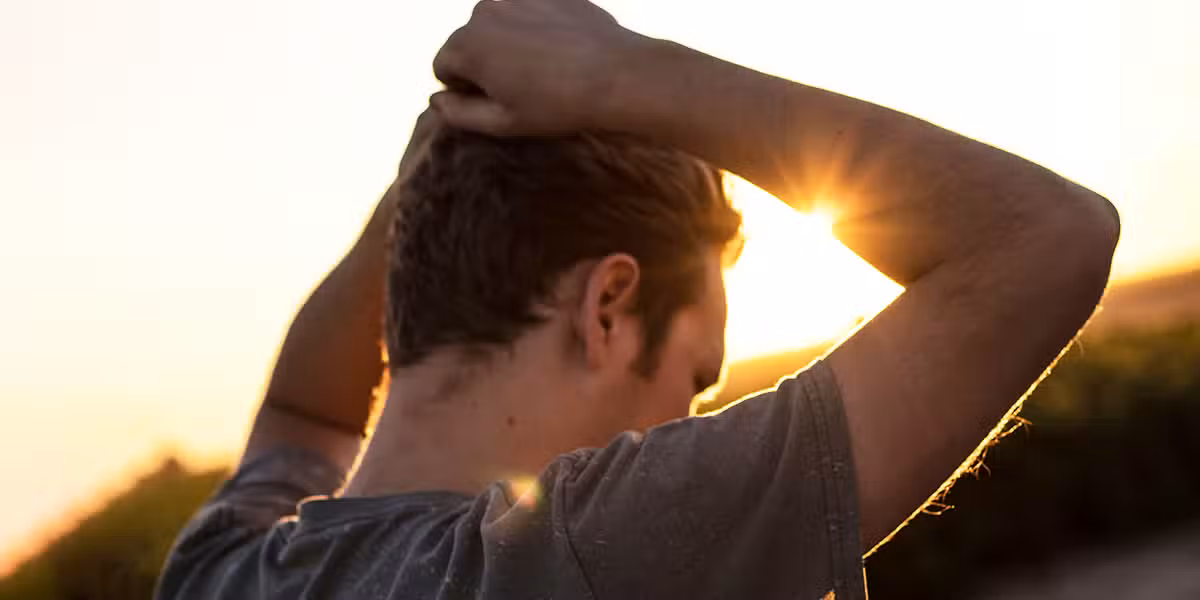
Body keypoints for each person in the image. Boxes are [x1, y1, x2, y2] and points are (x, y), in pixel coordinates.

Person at [156, 1, 1120, 598]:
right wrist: (620, 73)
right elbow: (1046, 240)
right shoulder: (583, 559)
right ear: (609, 305)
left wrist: (420, 188)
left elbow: (303, 412)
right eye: (696, 379)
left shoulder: (222, 570)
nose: (689, 422)